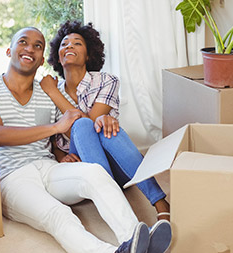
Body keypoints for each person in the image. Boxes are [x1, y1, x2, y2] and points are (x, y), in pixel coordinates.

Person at [0, 27, 170, 253]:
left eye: (37, 46)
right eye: (23, 42)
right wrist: (56, 127)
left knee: (94, 173)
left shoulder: (50, 94)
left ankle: (135, 241)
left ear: (42, 61)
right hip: (12, 177)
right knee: (59, 215)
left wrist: (61, 155)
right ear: (9, 50)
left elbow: (63, 134)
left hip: (48, 167)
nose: (30, 48)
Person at [40, 21, 171, 222]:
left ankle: (159, 202)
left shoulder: (106, 81)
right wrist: (59, 155)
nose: (69, 46)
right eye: (64, 44)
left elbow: (88, 126)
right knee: (89, 124)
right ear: (58, 56)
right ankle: (121, 208)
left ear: (89, 54)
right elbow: (49, 133)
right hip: (79, 167)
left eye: (77, 43)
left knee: (99, 125)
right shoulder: (50, 87)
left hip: (117, 165)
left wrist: (53, 93)